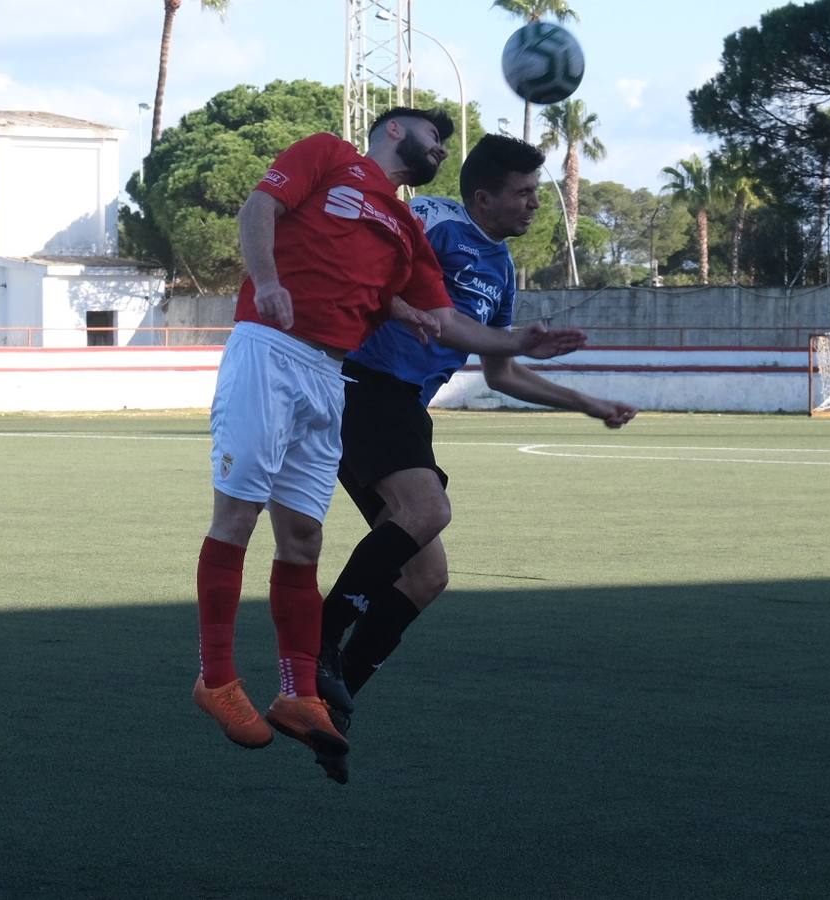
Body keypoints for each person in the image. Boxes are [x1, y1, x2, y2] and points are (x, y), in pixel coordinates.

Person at [191, 109, 587, 778]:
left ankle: (299, 694)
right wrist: (270, 280)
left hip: (327, 376)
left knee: (303, 541)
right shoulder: (327, 155)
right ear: (393, 130)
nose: (440, 146)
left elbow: (440, 319)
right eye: (432, 135)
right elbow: (259, 207)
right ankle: (218, 680)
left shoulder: (403, 228)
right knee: (237, 516)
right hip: (271, 347)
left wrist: (518, 342)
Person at [314, 135, 638, 776]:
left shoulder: (502, 270)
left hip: (403, 408)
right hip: (361, 385)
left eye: (536, 193)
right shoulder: (434, 220)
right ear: (483, 196)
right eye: (522, 193)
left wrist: (585, 401)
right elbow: (366, 271)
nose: (533, 205)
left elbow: (501, 373)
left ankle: (329, 701)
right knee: (428, 508)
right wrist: (401, 308)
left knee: (427, 576)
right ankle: (317, 639)